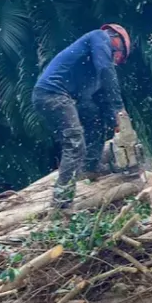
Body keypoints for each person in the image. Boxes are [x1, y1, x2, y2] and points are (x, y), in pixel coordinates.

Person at [32, 24, 132, 208]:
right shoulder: (99, 37)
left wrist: (117, 122)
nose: (117, 61)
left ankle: (90, 168)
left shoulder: (90, 71)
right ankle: (61, 204)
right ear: (116, 40)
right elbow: (106, 70)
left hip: (67, 97)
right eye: (120, 56)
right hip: (52, 94)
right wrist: (120, 109)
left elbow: (99, 100)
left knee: (95, 118)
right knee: (75, 143)